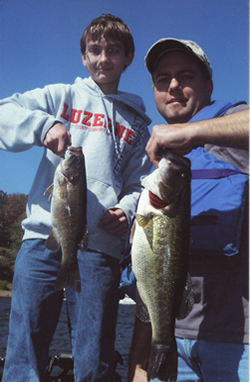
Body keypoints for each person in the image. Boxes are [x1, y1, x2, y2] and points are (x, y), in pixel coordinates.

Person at [0, 14, 152, 382]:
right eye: (94, 50)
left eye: (113, 51)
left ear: (128, 57)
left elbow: (140, 184)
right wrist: (44, 125)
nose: (103, 59)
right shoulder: (61, 96)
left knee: (94, 352)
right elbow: (5, 111)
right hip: (42, 239)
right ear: (83, 57)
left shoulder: (137, 123)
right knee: (24, 345)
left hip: (100, 248)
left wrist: (127, 210)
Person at [127, 38, 249, 382]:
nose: (174, 86)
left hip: (237, 348)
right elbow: (151, 269)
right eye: (163, 79)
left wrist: (193, 131)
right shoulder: (156, 160)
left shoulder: (232, 128)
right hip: (168, 345)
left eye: (185, 75)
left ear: (208, 85)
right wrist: (140, 356)